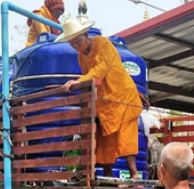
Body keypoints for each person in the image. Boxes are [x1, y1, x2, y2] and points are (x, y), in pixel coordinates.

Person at [58, 18, 143, 180]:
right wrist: (76, 84)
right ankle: (108, 175)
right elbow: (88, 76)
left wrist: (78, 82)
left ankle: (134, 174)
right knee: (105, 138)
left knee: (126, 136)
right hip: (105, 101)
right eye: (72, 44)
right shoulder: (81, 56)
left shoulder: (103, 44)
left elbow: (100, 69)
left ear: (86, 35)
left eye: (78, 41)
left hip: (122, 96)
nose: (76, 45)